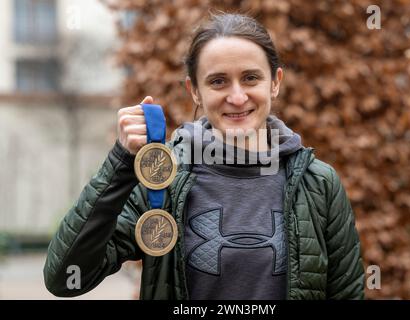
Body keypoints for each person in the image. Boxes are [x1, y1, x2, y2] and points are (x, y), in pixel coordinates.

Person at [44, 13, 365, 300]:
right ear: (194, 91)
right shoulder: (161, 179)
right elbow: (66, 279)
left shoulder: (318, 184)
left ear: (275, 83)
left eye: (251, 78)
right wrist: (121, 161)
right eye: (218, 81)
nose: (237, 97)